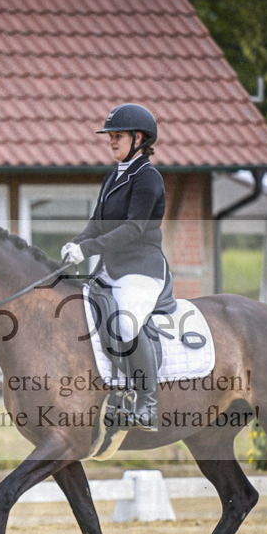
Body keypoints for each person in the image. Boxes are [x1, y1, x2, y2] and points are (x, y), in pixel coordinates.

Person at [60, 103, 166, 431]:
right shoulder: (113, 177)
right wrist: (75, 245)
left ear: (138, 138)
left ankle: (147, 403)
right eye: (110, 137)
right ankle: (114, 392)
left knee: (126, 325)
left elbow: (133, 229)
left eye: (117, 136)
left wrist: (88, 248)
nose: (112, 142)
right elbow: (96, 225)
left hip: (141, 269)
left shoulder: (148, 178)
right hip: (111, 268)